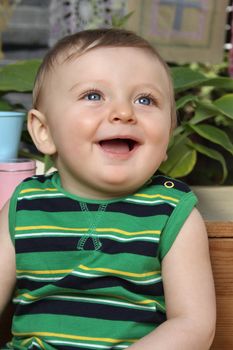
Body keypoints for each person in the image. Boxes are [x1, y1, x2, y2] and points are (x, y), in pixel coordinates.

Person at [0, 28, 216, 349]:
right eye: (93, 95)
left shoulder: (173, 212)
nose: (124, 113)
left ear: (167, 138)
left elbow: (194, 325)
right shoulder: (25, 205)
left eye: (145, 99)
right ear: (44, 131)